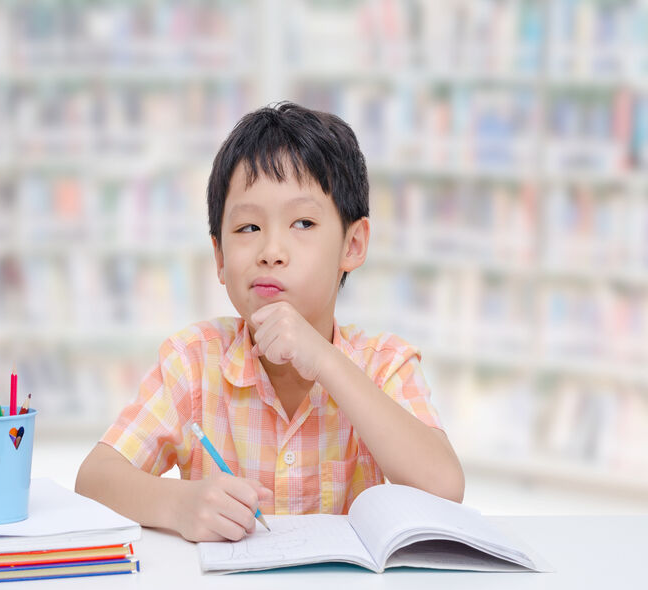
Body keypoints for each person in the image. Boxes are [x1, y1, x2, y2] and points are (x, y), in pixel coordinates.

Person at [76, 102, 464, 542]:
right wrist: (180, 504)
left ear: (352, 244)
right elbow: (94, 480)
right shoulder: (194, 361)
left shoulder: (385, 363)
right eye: (247, 228)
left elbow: (444, 488)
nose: (271, 250)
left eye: (303, 222)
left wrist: (326, 361)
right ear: (219, 257)